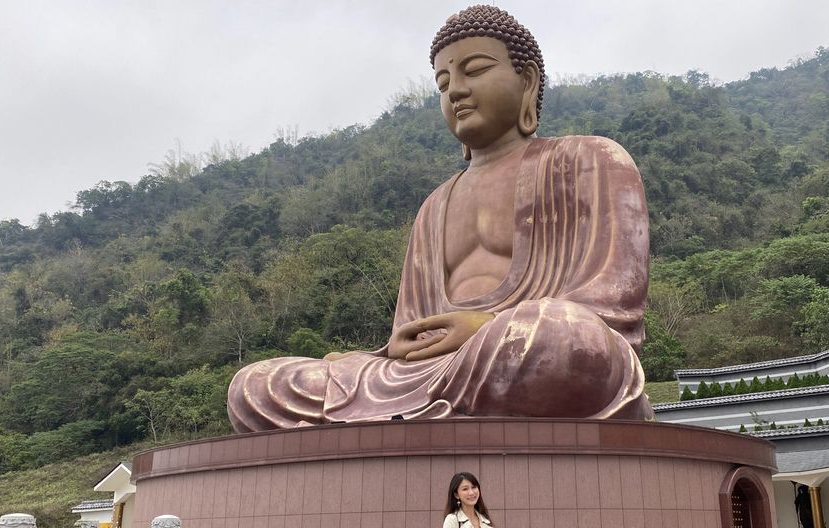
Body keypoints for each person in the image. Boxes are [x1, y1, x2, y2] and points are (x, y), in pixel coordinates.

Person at [227, 4, 652, 430]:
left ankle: (397, 422)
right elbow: (414, 331)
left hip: (521, 348)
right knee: (255, 387)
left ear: (527, 82)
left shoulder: (589, 160)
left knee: (564, 337)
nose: (456, 91)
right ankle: (409, 415)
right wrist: (384, 353)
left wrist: (484, 327)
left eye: (476, 70)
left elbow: (611, 309)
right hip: (428, 375)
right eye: (443, 82)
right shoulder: (434, 205)